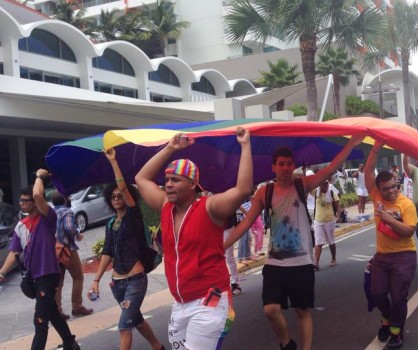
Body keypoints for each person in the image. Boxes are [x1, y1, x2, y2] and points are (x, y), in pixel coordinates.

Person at [224, 136, 363, 350]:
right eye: (281, 164)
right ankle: (287, 343)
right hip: (274, 264)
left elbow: (330, 169)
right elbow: (246, 223)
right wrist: (222, 246)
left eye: (289, 163)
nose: (286, 168)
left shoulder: (302, 185)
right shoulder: (265, 191)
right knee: (270, 309)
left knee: (302, 311)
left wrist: (351, 144)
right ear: (274, 167)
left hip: (302, 263)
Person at [135, 128, 252, 350]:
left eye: (175, 180)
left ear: (192, 185)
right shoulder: (165, 207)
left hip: (210, 298)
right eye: (167, 180)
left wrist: (245, 145)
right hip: (180, 304)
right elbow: (141, 178)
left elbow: (243, 189)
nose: (168, 184)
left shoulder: (210, 207)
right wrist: (170, 147)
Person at [90, 148, 165, 350]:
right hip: (117, 284)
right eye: (112, 196)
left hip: (135, 281)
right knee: (136, 319)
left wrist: (113, 161)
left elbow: (123, 187)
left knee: (124, 326)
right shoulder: (110, 223)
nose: (116, 198)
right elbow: (107, 252)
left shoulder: (133, 216)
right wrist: (96, 280)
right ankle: (158, 347)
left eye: (120, 196)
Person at [0, 171, 81, 350]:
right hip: (33, 278)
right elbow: (14, 253)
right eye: (20, 201)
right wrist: (2, 272)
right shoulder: (21, 226)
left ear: (35, 202)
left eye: (24, 201)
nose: (21, 204)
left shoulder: (48, 218)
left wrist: (39, 176)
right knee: (53, 313)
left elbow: (37, 194)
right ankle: (70, 343)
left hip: (48, 275)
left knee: (40, 320)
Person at [365, 143, 418, 349]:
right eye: (386, 189)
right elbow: (368, 170)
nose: (391, 192)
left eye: (394, 187)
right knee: (377, 293)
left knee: (398, 297)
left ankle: (396, 332)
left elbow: (409, 231)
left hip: (404, 255)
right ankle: (386, 319)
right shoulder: (376, 196)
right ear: (378, 190)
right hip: (382, 256)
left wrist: (389, 219)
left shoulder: (406, 204)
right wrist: (376, 147)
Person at [51, 191, 93, 320]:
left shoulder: (51, 212)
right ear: (64, 199)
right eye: (68, 196)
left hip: (54, 250)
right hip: (67, 249)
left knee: (58, 281)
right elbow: (69, 227)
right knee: (78, 277)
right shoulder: (67, 211)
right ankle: (77, 306)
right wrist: (78, 234)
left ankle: (57, 310)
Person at [313, 180, 340, 270]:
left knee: (330, 241)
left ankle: (334, 258)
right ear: (319, 185)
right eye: (323, 184)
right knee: (318, 242)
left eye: (327, 184)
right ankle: (316, 263)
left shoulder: (332, 192)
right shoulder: (316, 192)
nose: (326, 185)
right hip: (318, 221)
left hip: (330, 221)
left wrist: (338, 216)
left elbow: (337, 205)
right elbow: (307, 187)